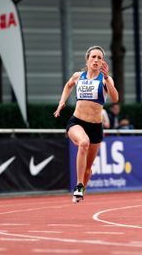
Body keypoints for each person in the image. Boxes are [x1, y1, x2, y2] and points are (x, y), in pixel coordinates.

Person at [53, 46, 119, 203]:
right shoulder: (78, 76)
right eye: (93, 57)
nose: (96, 60)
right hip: (77, 122)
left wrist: (108, 79)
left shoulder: (105, 79)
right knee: (83, 143)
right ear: (87, 59)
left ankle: (81, 190)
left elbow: (115, 98)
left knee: (88, 169)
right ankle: (79, 185)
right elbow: (68, 85)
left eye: (99, 58)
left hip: (95, 127)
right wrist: (62, 102)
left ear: (103, 61)